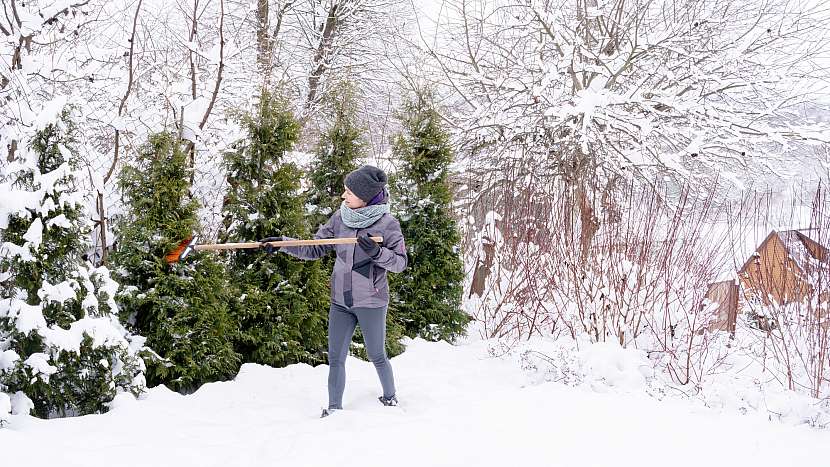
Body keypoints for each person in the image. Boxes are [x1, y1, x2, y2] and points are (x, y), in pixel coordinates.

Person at [260, 165, 408, 418]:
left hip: (370, 301)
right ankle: (334, 408)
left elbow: (400, 263)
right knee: (336, 357)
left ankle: (390, 397)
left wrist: (377, 253)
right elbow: (315, 248)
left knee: (377, 354)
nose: (343, 196)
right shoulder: (341, 218)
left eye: (349, 192)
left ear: (366, 197)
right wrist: (282, 244)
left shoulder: (387, 224)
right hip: (340, 300)